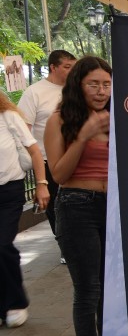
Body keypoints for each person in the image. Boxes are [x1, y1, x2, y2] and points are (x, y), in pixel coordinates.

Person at [44, 56, 111, 336]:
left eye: (106, 84)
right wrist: (83, 136)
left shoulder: (118, 118)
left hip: (111, 208)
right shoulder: (60, 121)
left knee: (110, 288)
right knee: (87, 289)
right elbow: (58, 174)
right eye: (93, 84)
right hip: (75, 206)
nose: (101, 91)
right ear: (78, 85)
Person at [0, 91, 49, 328]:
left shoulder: (8, 116)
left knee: (2, 245)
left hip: (8, 191)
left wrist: (41, 184)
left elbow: (34, 151)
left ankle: (15, 303)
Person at [18, 50, 76, 235]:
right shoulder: (34, 92)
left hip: (76, 155)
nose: (71, 71)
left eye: (74, 67)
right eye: (67, 67)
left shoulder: (77, 90)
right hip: (47, 159)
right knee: (55, 205)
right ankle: (63, 243)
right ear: (53, 67)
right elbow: (23, 129)